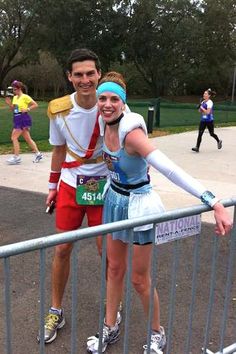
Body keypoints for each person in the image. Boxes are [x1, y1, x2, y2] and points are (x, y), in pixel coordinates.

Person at [86, 72, 232, 354]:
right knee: (114, 269)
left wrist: (212, 201)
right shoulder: (103, 121)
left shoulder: (133, 132)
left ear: (123, 102)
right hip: (114, 200)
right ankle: (110, 326)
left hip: (139, 207)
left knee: (139, 279)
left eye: (114, 99)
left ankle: (157, 334)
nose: (106, 104)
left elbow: (170, 168)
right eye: (102, 98)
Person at [38, 48, 125, 344]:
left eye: (90, 73)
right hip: (71, 185)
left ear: (99, 74)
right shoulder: (58, 108)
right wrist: (52, 187)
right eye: (79, 74)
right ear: (70, 77)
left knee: (108, 254)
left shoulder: (110, 105)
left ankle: (114, 310)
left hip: (104, 187)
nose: (85, 80)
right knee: (62, 249)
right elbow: (59, 150)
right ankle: (55, 309)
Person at [4, 80, 43, 164]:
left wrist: (27, 109)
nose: (14, 91)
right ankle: (38, 154)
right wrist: (9, 104)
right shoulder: (15, 97)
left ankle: (16, 157)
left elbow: (35, 104)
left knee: (14, 137)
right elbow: (14, 110)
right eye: (13, 90)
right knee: (28, 139)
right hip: (17, 118)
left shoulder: (25, 97)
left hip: (23, 119)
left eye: (15, 89)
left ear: (19, 88)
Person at [192, 88, 222, 152]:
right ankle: (197, 147)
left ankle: (219, 141)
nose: (204, 94)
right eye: (204, 93)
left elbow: (208, 112)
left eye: (205, 93)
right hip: (203, 121)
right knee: (200, 134)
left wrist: (202, 107)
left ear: (209, 95)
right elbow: (200, 111)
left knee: (211, 134)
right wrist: (199, 107)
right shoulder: (203, 102)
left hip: (209, 121)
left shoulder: (210, 102)